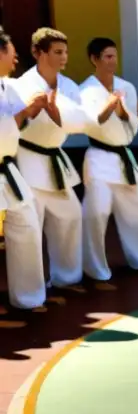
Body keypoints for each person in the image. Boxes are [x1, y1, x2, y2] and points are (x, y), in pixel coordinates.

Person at [79, 37, 138, 287]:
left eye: (115, 56)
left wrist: (124, 112)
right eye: (107, 56)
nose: (113, 61)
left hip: (124, 158)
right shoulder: (86, 90)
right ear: (94, 59)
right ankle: (96, 272)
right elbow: (91, 122)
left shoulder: (126, 86)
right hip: (99, 158)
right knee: (97, 213)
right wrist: (110, 105)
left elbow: (132, 126)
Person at [14, 28, 88, 300]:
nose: (64, 57)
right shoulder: (21, 85)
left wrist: (58, 112)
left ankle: (67, 278)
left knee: (70, 216)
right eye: (57, 52)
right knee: (31, 228)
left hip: (57, 161)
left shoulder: (68, 86)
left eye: (65, 52)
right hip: (29, 160)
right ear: (38, 53)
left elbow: (82, 121)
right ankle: (31, 293)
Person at [0, 26, 48, 317]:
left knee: (27, 226)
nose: (16, 60)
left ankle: (28, 297)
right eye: (13, 53)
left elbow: (19, 123)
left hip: (7, 171)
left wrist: (36, 109)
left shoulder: (9, 86)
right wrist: (25, 112)